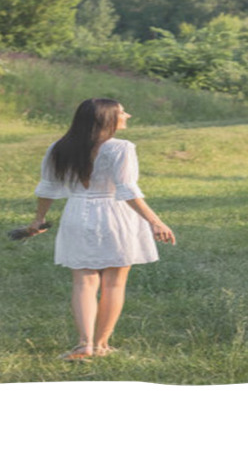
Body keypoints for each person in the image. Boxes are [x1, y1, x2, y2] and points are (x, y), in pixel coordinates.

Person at [27, 97, 176, 360]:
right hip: (115, 215)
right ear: (106, 119)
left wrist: (39, 219)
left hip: (77, 213)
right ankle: (101, 345)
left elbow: (47, 188)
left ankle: (84, 344)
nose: (127, 115)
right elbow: (127, 191)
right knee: (114, 284)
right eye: (121, 112)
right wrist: (155, 221)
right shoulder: (121, 148)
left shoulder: (58, 148)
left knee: (83, 282)